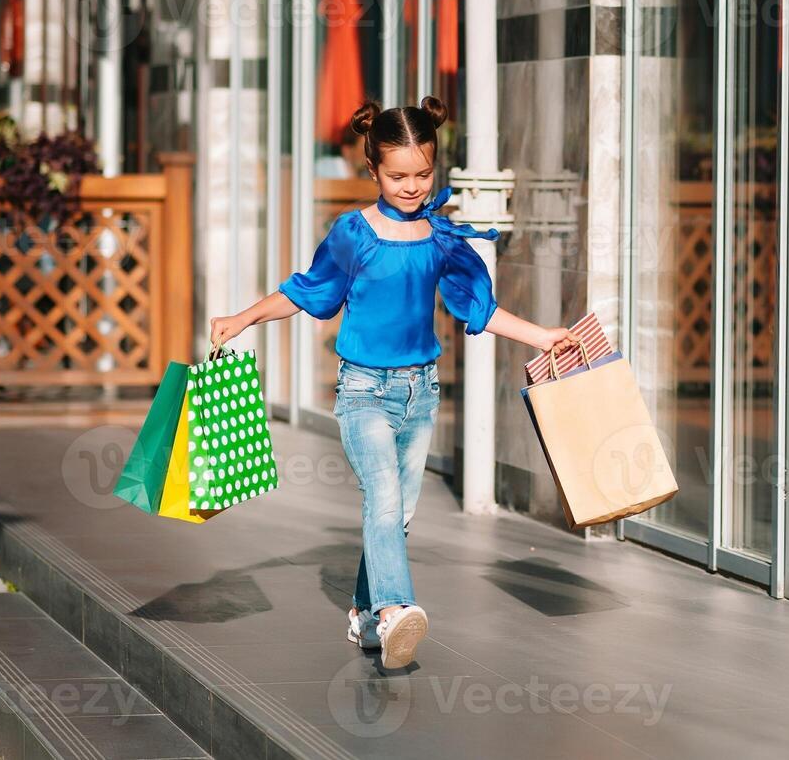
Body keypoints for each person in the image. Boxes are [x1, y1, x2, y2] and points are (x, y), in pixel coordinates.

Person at [207, 96, 579, 670]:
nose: (411, 186)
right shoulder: (352, 235)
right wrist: (242, 318)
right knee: (382, 500)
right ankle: (394, 610)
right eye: (398, 175)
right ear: (373, 169)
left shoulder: (439, 237)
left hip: (420, 393)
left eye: (423, 174)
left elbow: (479, 310)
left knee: (398, 514)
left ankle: (362, 612)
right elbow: (306, 292)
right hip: (362, 394)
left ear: (436, 166)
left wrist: (543, 337)